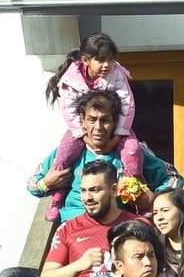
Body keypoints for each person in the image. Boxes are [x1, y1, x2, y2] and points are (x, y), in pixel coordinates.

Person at [30, 88, 176, 223]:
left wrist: (154, 201)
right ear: (82, 120)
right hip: (74, 228)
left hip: (118, 232)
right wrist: (46, 183)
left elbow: (173, 178)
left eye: (105, 120)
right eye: (92, 120)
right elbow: (33, 186)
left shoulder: (131, 153)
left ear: (115, 122)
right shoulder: (67, 153)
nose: (98, 127)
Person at [40, 33, 143, 221]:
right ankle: (58, 198)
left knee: (132, 151)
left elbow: (128, 104)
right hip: (78, 132)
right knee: (64, 153)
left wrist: (118, 136)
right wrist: (82, 136)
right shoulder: (71, 79)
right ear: (85, 60)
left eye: (110, 60)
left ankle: (136, 198)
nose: (106, 66)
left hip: (121, 131)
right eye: (101, 60)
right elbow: (69, 109)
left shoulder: (116, 74)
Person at [39, 159, 124, 277]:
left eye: (94, 190)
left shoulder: (136, 225)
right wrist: (79, 265)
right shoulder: (67, 229)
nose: (87, 198)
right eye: (83, 191)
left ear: (114, 190)